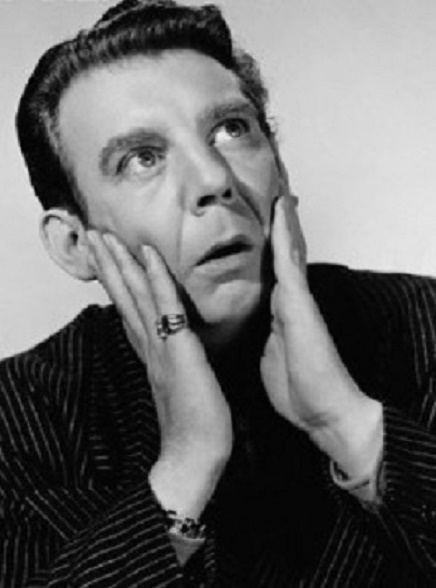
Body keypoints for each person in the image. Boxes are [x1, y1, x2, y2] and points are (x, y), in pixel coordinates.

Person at [2, 0, 436, 585]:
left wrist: (352, 429)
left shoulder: (422, 326)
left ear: (279, 167)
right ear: (75, 244)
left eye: (232, 130)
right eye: (142, 159)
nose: (213, 179)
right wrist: (186, 468)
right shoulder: (19, 415)